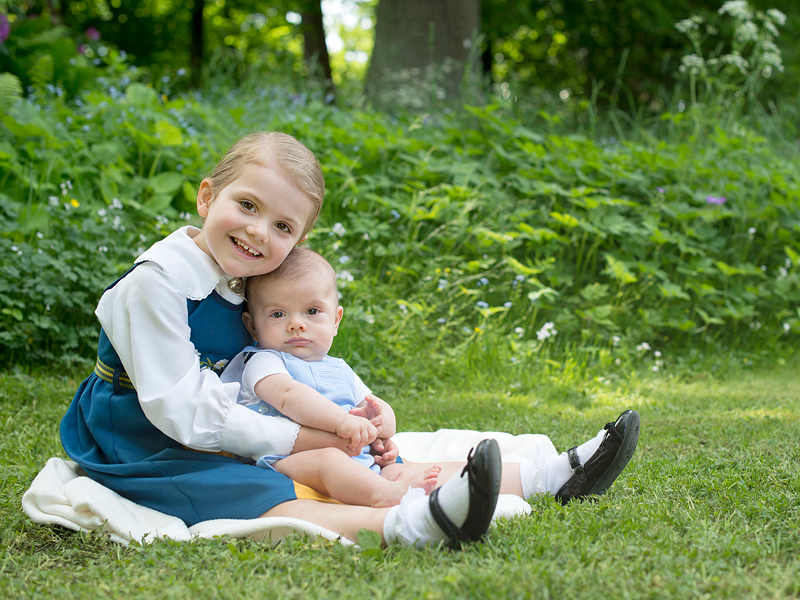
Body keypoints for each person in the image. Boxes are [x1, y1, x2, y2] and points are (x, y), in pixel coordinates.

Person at [59, 131, 640, 549]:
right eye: (247, 206)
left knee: (382, 456)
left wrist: (332, 428)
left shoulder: (247, 270)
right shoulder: (157, 283)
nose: (259, 232)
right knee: (265, 487)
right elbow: (180, 411)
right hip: (143, 429)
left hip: (230, 416)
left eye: (283, 226)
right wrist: (306, 433)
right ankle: (410, 525)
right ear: (207, 197)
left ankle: (554, 475)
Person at [222, 247, 441, 508]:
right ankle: (381, 495)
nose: (296, 324)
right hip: (289, 461)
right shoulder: (263, 362)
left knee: (396, 468)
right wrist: (342, 423)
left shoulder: (339, 369)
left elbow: (373, 405)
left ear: (335, 321)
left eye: (312, 311)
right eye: (278, 314)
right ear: (253, 326)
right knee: (328, 461)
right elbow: (288, 396)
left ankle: (428, 493)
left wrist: (378, 426)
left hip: (355, 459)